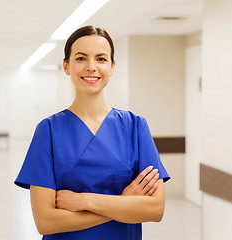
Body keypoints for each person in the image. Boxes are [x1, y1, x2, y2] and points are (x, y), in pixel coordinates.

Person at [14, 25, 170, 240]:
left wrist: (84, 201)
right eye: (80, 58)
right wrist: (123, 203)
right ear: (66, 66)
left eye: (101, 59)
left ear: (112, 67)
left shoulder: (135, 127)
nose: (91, 67)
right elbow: (46, 222)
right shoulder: (48, 130)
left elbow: (155, 210)